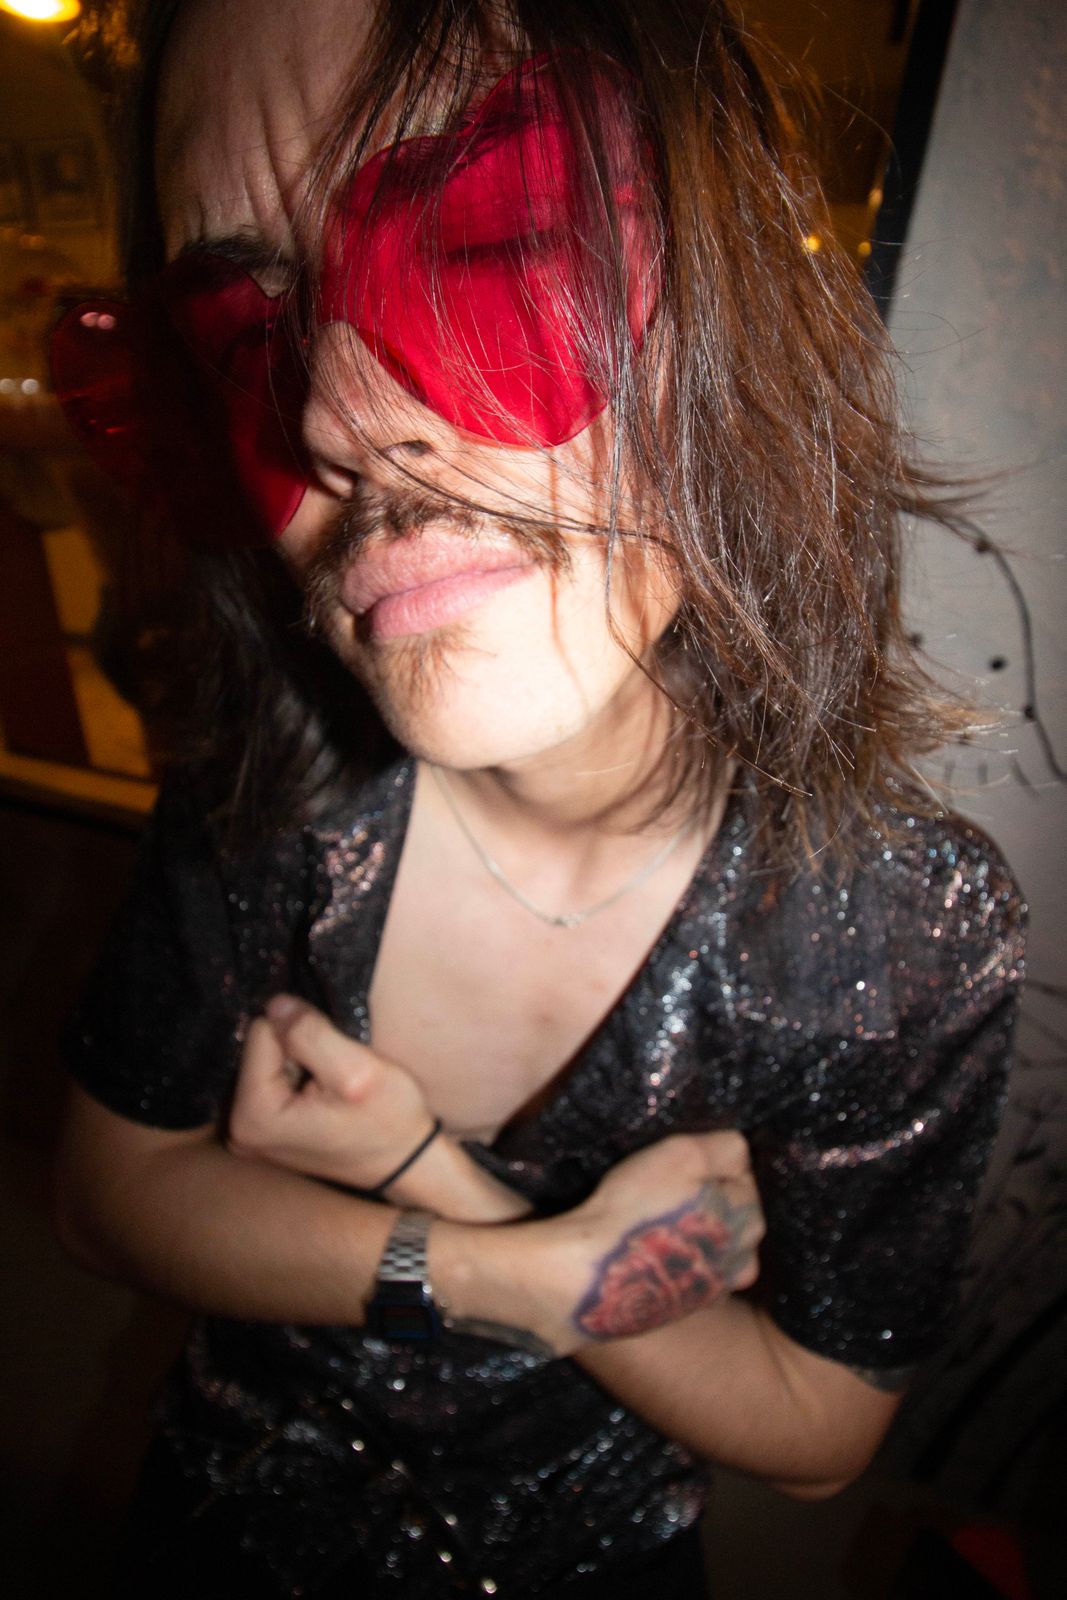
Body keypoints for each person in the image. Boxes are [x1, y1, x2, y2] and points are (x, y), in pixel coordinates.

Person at [52, 1, 1025, 1596]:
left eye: (482, 240)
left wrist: (415, 1166)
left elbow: (819, 1427)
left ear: (723, 301)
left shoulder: (888, 924)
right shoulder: (277, 791)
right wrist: (525, 1269)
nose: (329, 418)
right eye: (245, 331)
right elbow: (108, 1197)